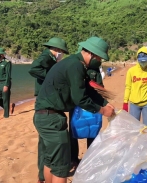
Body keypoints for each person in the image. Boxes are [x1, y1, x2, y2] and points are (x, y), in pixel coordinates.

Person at [33, 36, 115, 183]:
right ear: (91, 53)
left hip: (44, 116)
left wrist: (105, 103)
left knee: (50, 161)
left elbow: (89, 91)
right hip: (51, 119)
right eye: (100, 58)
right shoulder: (76, 66)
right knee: (61, 168)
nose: (100, 62)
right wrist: (103, 111)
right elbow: (80, 99)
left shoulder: (73, 64)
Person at [28, 37, 68, 183]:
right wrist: (51, 78)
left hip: (44, 99)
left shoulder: (51, 59)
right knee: (43, 144)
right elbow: (33, 69)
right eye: (61, 52)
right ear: (56, 50)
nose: (61, 54)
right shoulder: (47, 56)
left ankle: (42, 174)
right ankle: (41, 175)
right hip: (44, 100)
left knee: (44, 142)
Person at [69, 46, 107, 169]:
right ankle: (73, 159)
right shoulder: (75, 67)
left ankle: (90, 158)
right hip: (76, 105)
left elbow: (100, 87)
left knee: (93, 131)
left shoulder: (94, 69)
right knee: (73, 132)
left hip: (92, 105)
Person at [122, 46, 147, 127]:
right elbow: (128, 87)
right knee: (134, 127)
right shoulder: (131, 71)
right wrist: (125, 102)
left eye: (145, 61)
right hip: (134, 104)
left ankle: (146, 140)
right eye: (141, 61)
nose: (143, 63)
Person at [0, 47, 15, 118]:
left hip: (5, 82)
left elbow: (8, 74)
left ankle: (6, 116)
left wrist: (6, 85)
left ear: (2, 55)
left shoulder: (7, 62)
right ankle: (9, 106)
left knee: (5, 99)